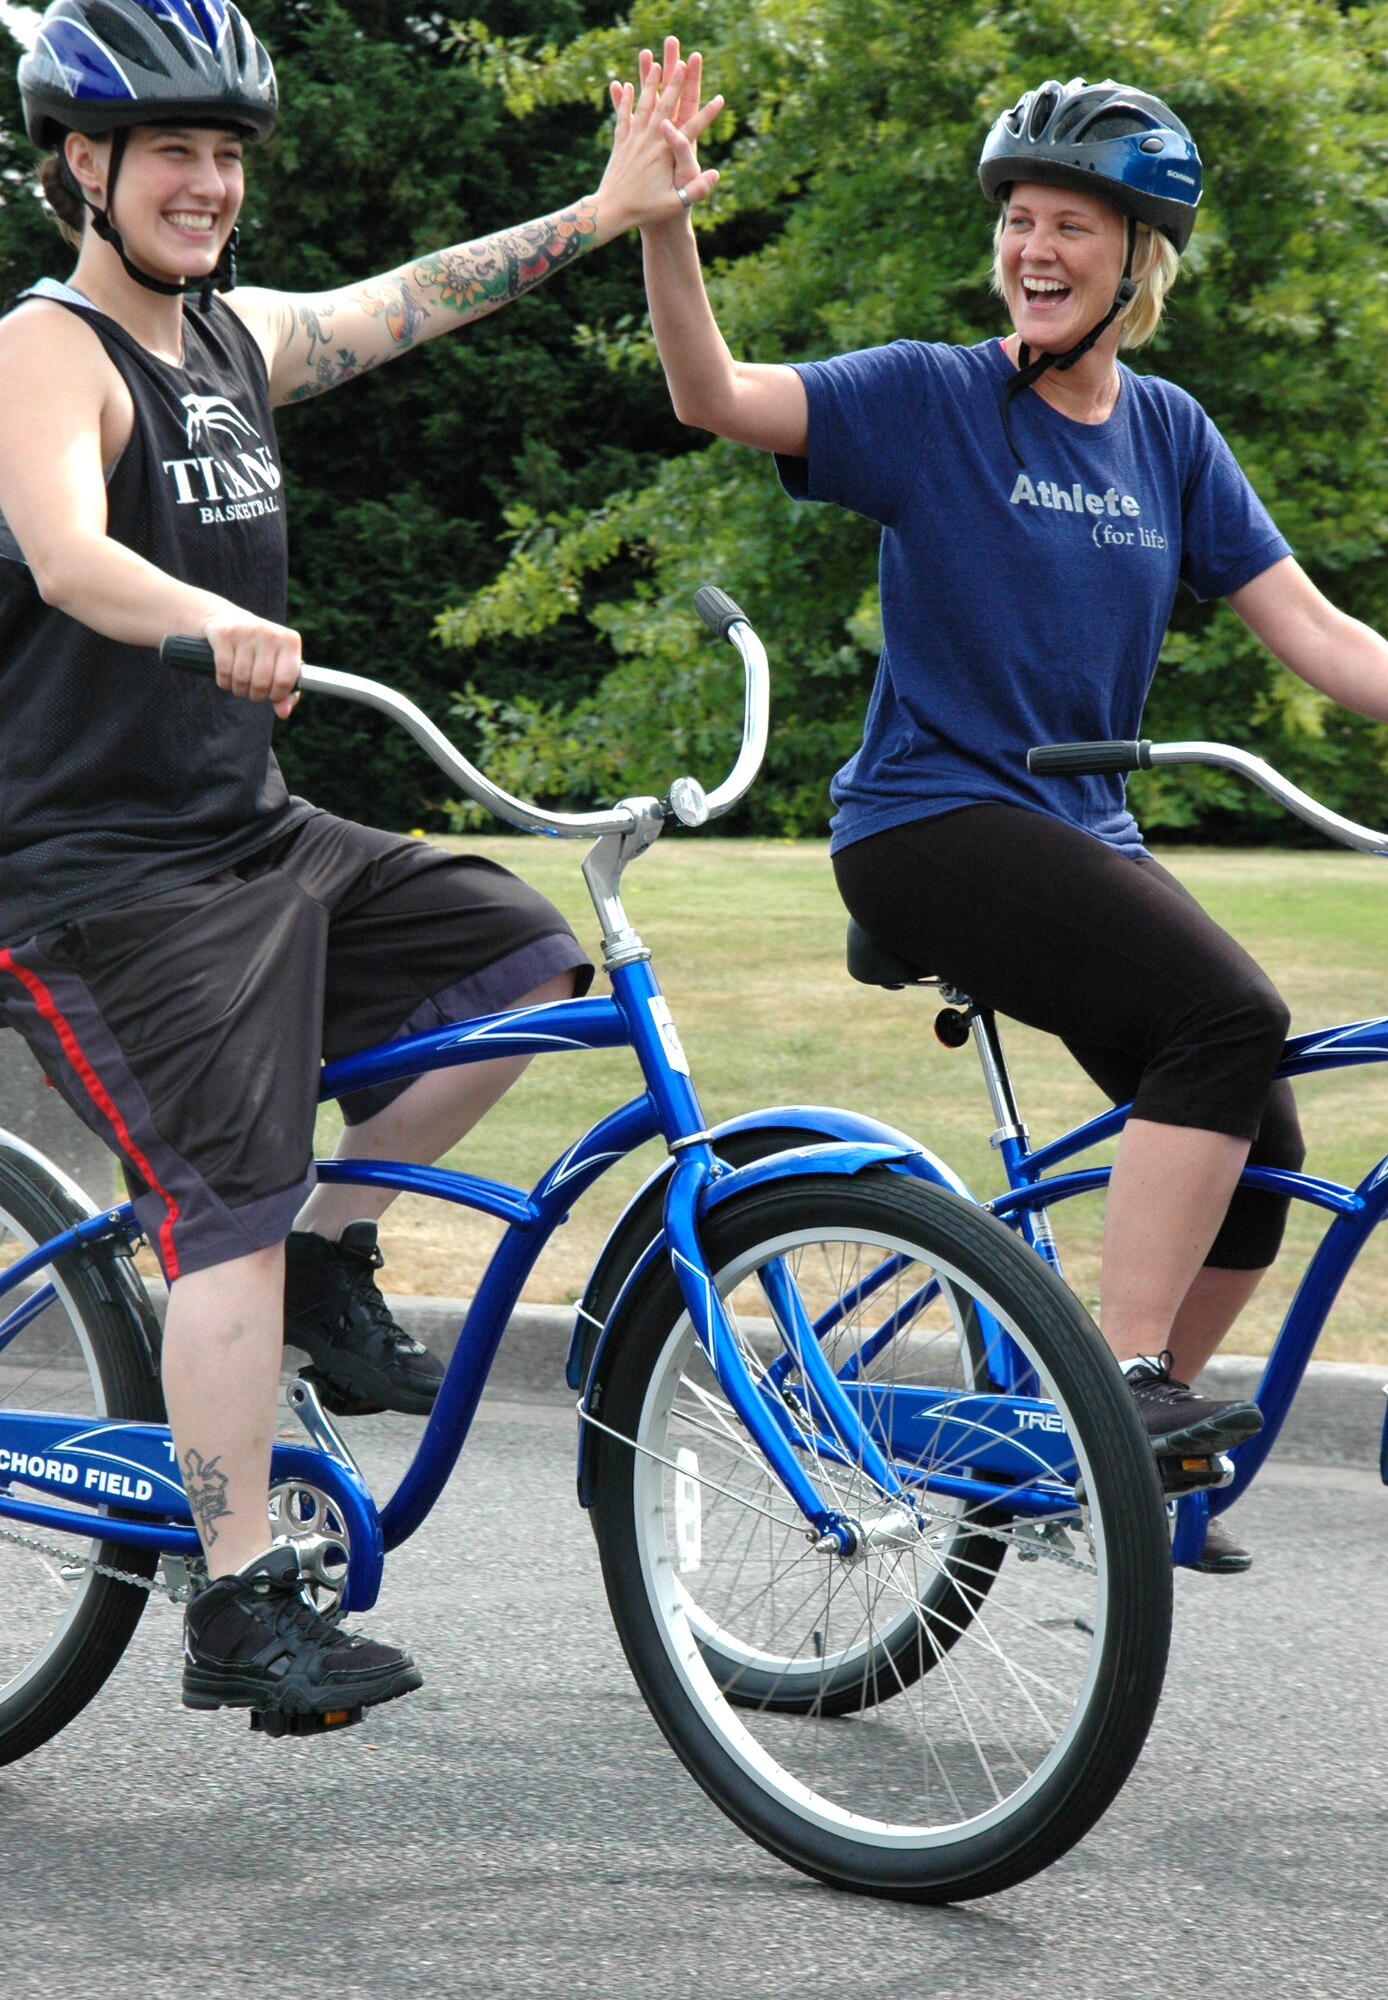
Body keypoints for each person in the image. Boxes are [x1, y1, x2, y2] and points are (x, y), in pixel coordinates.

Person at [0, 0, 718, 1726]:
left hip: (253, 836)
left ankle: (334, 1251)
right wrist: (215, 620)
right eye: (173, 149)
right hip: (97, 877)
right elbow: (68, 552)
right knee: (221, 1203)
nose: (207, 183)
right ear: (80, 168)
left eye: (228, 154)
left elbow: (406, 298)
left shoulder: (230, 341)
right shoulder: (46, 348)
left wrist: (608, 215)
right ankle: (239, 1598)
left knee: (520, 960)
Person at [619, 49, 1388, 1574]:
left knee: (1265, 1148)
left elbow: (1319, 635)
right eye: (1021, 219)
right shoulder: (932, 399)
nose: (1035, 250)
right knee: (1226, 1016)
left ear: (1136, 263)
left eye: (1072, 228)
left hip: (1078, 832)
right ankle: (1119, 1408)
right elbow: (713, 397)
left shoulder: (1169, 437)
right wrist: (661, 223)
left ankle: (1084, 1425)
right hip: (923, 822)